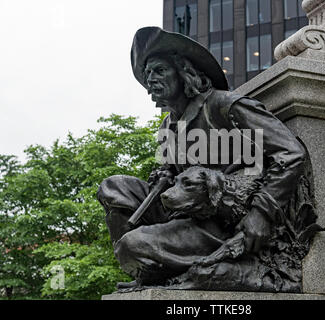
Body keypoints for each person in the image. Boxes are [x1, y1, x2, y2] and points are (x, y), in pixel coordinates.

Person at [97, 27, 306, 289]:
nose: (151, 78)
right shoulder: (167, 127)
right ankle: (148, 273)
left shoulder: (225, 105)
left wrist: (261, 213)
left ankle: (154, 260)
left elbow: (290, 153)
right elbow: (174, 179)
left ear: (185, 72)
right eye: (147, 73)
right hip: (182, 214)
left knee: (131, 245)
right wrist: (165, 175)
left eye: (159, 70)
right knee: (112, 187)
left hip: (222, 222)